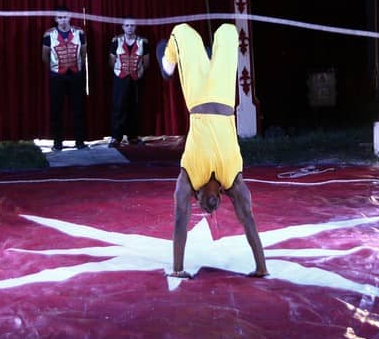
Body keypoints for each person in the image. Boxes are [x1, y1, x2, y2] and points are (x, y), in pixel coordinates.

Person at [157, 23, 268, 278]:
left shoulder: (190, 178)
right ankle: (208, 58)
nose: (210, 208)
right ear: (221, 195)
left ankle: (167, 65)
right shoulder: (233, 181)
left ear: (195, 196)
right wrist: (261, 267)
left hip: (197, 97)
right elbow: (248, 219)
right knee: (228, 31)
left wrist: (177, 269)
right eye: (214, 208)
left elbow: (180, 220)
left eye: (204, 208)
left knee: (182, 32)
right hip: (223, 96)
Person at [41, 6, 88, 151]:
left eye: (65, 17)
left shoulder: (79, 32)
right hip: (57, 76)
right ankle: (57, 143)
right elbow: (45, 55)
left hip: (76, 74)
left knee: (78, 109)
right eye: (60, 17)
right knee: (56, 110)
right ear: (56, 19)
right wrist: (54, 69)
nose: (63, 20)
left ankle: (80, 142)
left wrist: (78, 68)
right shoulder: (49, 34)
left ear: (70, 17)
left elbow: (83, 52)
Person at [108, 20, 149, 148]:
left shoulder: (143, 42)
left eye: (132, 25)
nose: (129, 28)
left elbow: (146, 61)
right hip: (120, 77)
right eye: (127, 25)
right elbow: (111, 61)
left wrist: (138, 72)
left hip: (136, 77)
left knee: (134, 107)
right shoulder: (116, 41)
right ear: (123, 27)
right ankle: (116, 137)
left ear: (135, 27)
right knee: (118, 107)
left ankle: (133, 137)